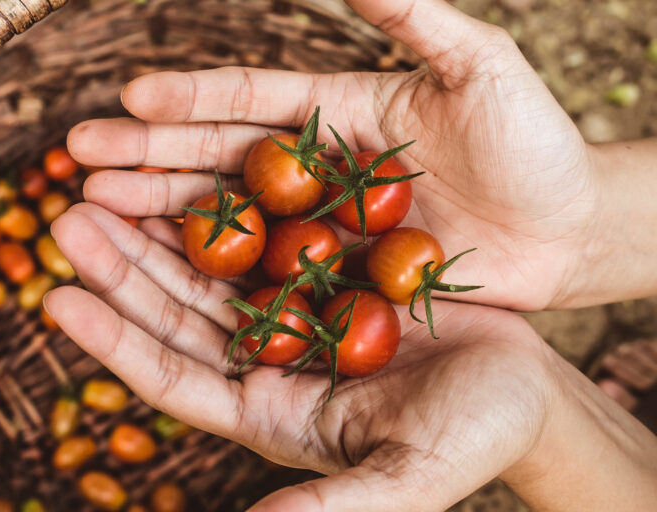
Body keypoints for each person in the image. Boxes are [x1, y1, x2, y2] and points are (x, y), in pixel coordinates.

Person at [43, 0, 657, 509]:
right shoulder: (320, 259)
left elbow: (306, 264)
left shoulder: (304, 264)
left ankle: (605, 408)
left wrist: (579, 231)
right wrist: (580, 227)